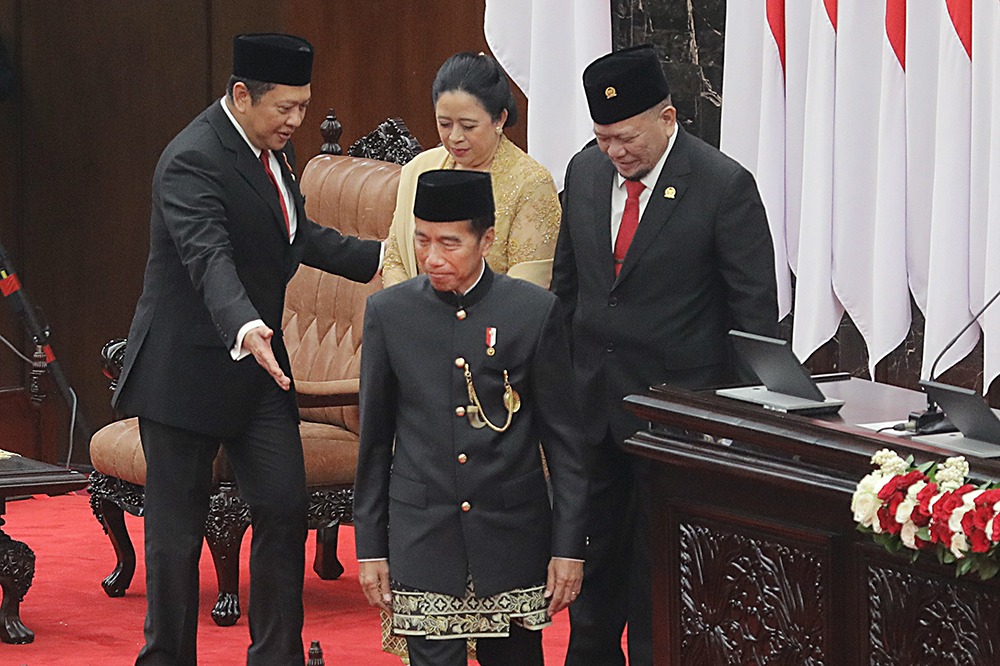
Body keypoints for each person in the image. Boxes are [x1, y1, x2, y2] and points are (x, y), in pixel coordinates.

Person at [112, 33, 383, 665]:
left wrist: (388, 261)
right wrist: (243, 323)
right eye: (285, 107)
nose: (297, 120)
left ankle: (277, 656)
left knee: (284, 505)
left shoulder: (271, 149)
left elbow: (294, 234)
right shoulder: (191, 158)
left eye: (304, 106)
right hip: (186, 372)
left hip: (261, 374)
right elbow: (209, 254)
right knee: (175, 540)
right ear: (241, 95)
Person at [551, 45, 779, 666]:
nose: (615, 152)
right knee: (592, 568)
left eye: (625, 138)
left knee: (662, 576)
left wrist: (735, 425)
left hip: (677, 421)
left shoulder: (723, 185)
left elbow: (754, 318)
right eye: (602, 138)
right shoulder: (584, 172)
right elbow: (566, 290)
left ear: (668, 116)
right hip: (595, 408)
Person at [354, 169, 589, 666]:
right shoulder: (389, 314)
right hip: (423, 536)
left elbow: (565, 444)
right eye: (421, 240)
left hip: (511, 537)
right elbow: (374, 443)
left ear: (486, 239)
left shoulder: (533, 311)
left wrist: (569, 548)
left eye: (449, 242)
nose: (432, 258)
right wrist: (370, 547)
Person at [382, 51, 560, 289]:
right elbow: (395, 261)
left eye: (468, 126)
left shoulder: (531, 183)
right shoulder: (419, 170)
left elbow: (525, 293)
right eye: (444, 124)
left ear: (499, 120)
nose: (455, 137)